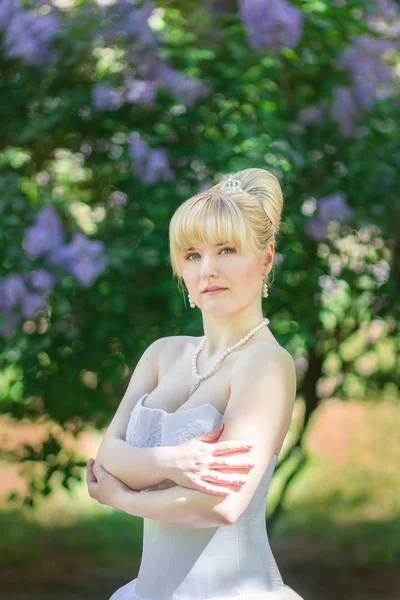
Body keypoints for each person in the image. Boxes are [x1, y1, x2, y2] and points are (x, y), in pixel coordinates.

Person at [86, 167, 305, 600]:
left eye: (226, 250)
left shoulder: (267, 364)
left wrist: (121, 498)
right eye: (192, 255)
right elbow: (107, 457)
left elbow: (221, 505)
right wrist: (172, 464)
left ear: (265, 259)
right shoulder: (163, 353)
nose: (208, 269)